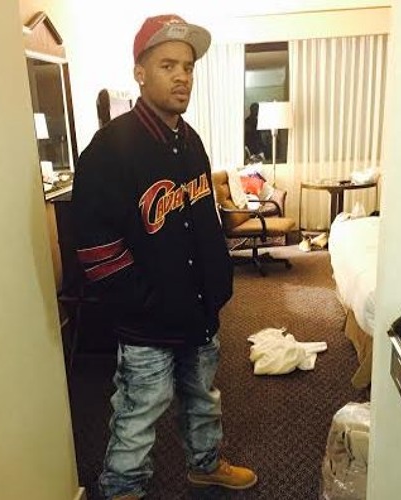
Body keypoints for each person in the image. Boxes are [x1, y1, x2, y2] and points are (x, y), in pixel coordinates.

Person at [71, 14, 257, 500]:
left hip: (198, 310)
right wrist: (144, 301)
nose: (181, 77)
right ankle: (122, 490)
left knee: (203, 399)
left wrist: (219, 280)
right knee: (139, 412)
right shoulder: (109, 149)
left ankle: (205, 466)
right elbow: (94, 247)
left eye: (188, 67)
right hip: (147, 322)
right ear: (140, 73)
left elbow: (204, 220)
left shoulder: (190, 140)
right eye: (167, 65)